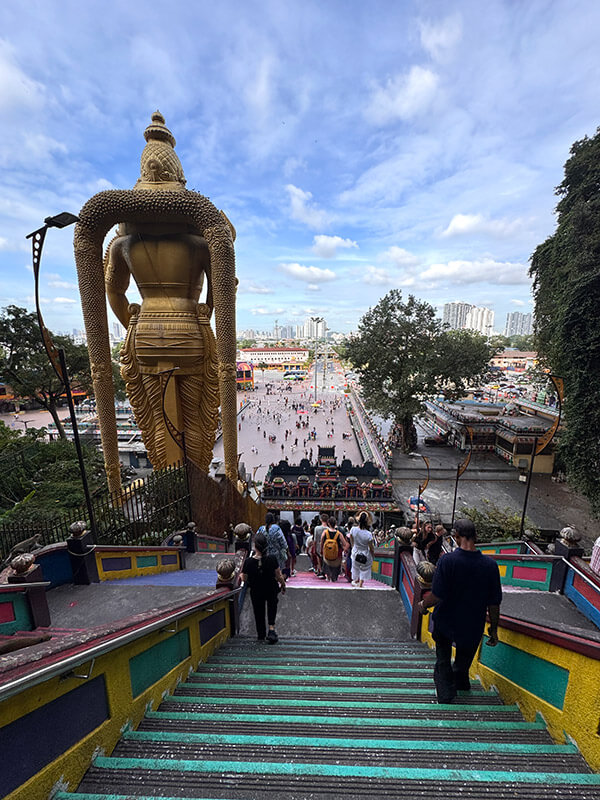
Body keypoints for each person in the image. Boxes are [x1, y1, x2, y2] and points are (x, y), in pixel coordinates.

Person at [418, 518, 502, 704]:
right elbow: (494, 602)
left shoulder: (447, 561)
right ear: (476, 536)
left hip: (446, 620)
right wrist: (494, 629)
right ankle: (460, 684)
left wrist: (423, 605)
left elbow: (437, 595)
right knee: (463, 660)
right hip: (473, 623)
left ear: (456, 536)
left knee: (443, 658)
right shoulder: (490, 565)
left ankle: (445, 695)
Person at [241, 531, 286, 643]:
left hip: (256, 590)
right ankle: (271, 630)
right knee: (272, 606)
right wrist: (283, 584)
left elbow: (244, 578)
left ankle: (261, 634)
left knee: (258, 611)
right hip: (271, 588)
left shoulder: (248, 562)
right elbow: (278, 575)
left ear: (255, 546)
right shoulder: (272, 559)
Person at [348, 511, 375, 588]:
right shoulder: (368, 534)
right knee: (365, 568)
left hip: (355, 551)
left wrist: (353, 547)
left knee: (355, 567)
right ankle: (360, 583)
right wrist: (373, 555)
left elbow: (351, 540)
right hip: (365, 552)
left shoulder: (353, 529)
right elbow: (371, 547)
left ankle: (355, 580)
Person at [321, 517, 348, 582]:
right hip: (337, 552)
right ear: (335, 523)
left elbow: (321, 541)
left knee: (327, 564)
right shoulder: (339, 534)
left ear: (328, 523)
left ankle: (328, 577)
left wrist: (321, 549)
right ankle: (334, 577)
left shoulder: (325, 532)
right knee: (336, 565)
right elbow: (344, 543)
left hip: (327, 552)